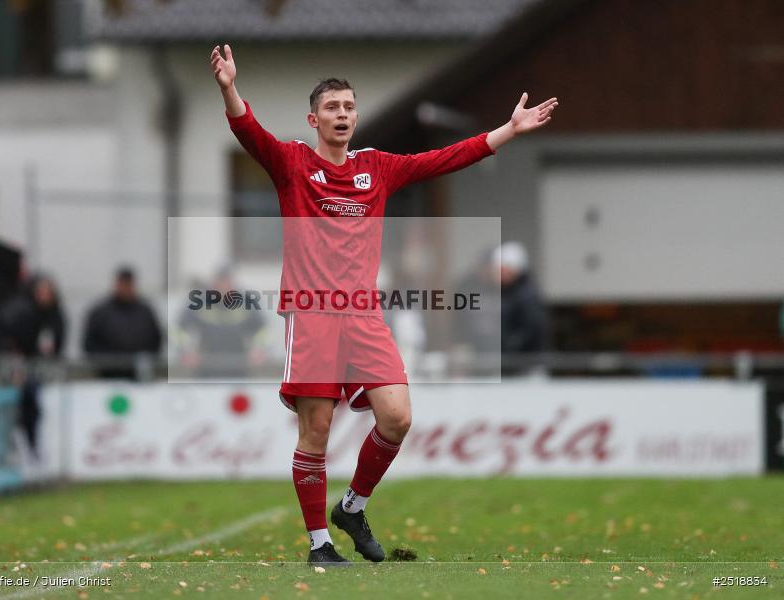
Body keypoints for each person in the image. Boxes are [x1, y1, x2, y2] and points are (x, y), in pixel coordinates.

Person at [210, 43, 558, 565]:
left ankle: (351, 509)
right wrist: (229, 87)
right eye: (333, 108)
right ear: (314, 118)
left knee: (396, 418)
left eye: (349, 107)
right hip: (311, 312)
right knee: (318, 430)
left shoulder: (378, 167)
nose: (343, 115)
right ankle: (319, 545)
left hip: (363, 314)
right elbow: (247, 133)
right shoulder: (292, 163)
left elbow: (441, 159)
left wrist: (506, 131)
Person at [0, 273, 66, 457]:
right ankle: (23, 447)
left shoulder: (55, 317)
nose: (44, 296)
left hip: (43, 371)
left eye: (47, 292)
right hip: (21, 371)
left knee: (37, 407)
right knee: (21, 405)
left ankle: (35, 448)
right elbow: (12, 343)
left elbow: (56, 346)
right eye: (41, 291)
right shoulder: (22, 313)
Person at [83, 266, 162, 379]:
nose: (126, 288)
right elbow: (89, 343)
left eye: (129, 284)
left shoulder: (145, 312)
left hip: (139, 377)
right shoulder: (100, 312)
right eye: (123, 284)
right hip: (107, 377)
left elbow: (156, 340)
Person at [491, 241, 548, 356]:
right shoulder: (506, 294)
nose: (498, 274)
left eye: (501, 270)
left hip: (523, 364)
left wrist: (508, 348)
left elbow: (532, 329)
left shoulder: (526, 296)